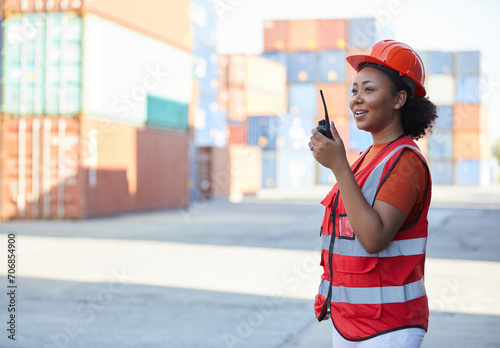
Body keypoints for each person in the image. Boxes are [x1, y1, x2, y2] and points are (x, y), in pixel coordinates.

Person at [309, 40, 438, 348]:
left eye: (368, 89)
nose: (357, 99)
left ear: (399, 99)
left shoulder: (405, 162)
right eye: (354, 90)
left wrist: (338, 166)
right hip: (349, 321)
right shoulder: (368, 157)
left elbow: (374, 238)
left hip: (389, 328)